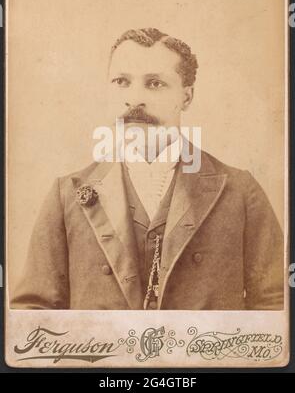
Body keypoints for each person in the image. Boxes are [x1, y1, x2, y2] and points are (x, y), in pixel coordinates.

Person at [11, 28, 284, 310]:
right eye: (121, 82)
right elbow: (33, 313)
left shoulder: (239, 192)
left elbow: (276, 307)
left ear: (187, 97)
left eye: (154, 84)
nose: (134, 98)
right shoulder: (67, 195)